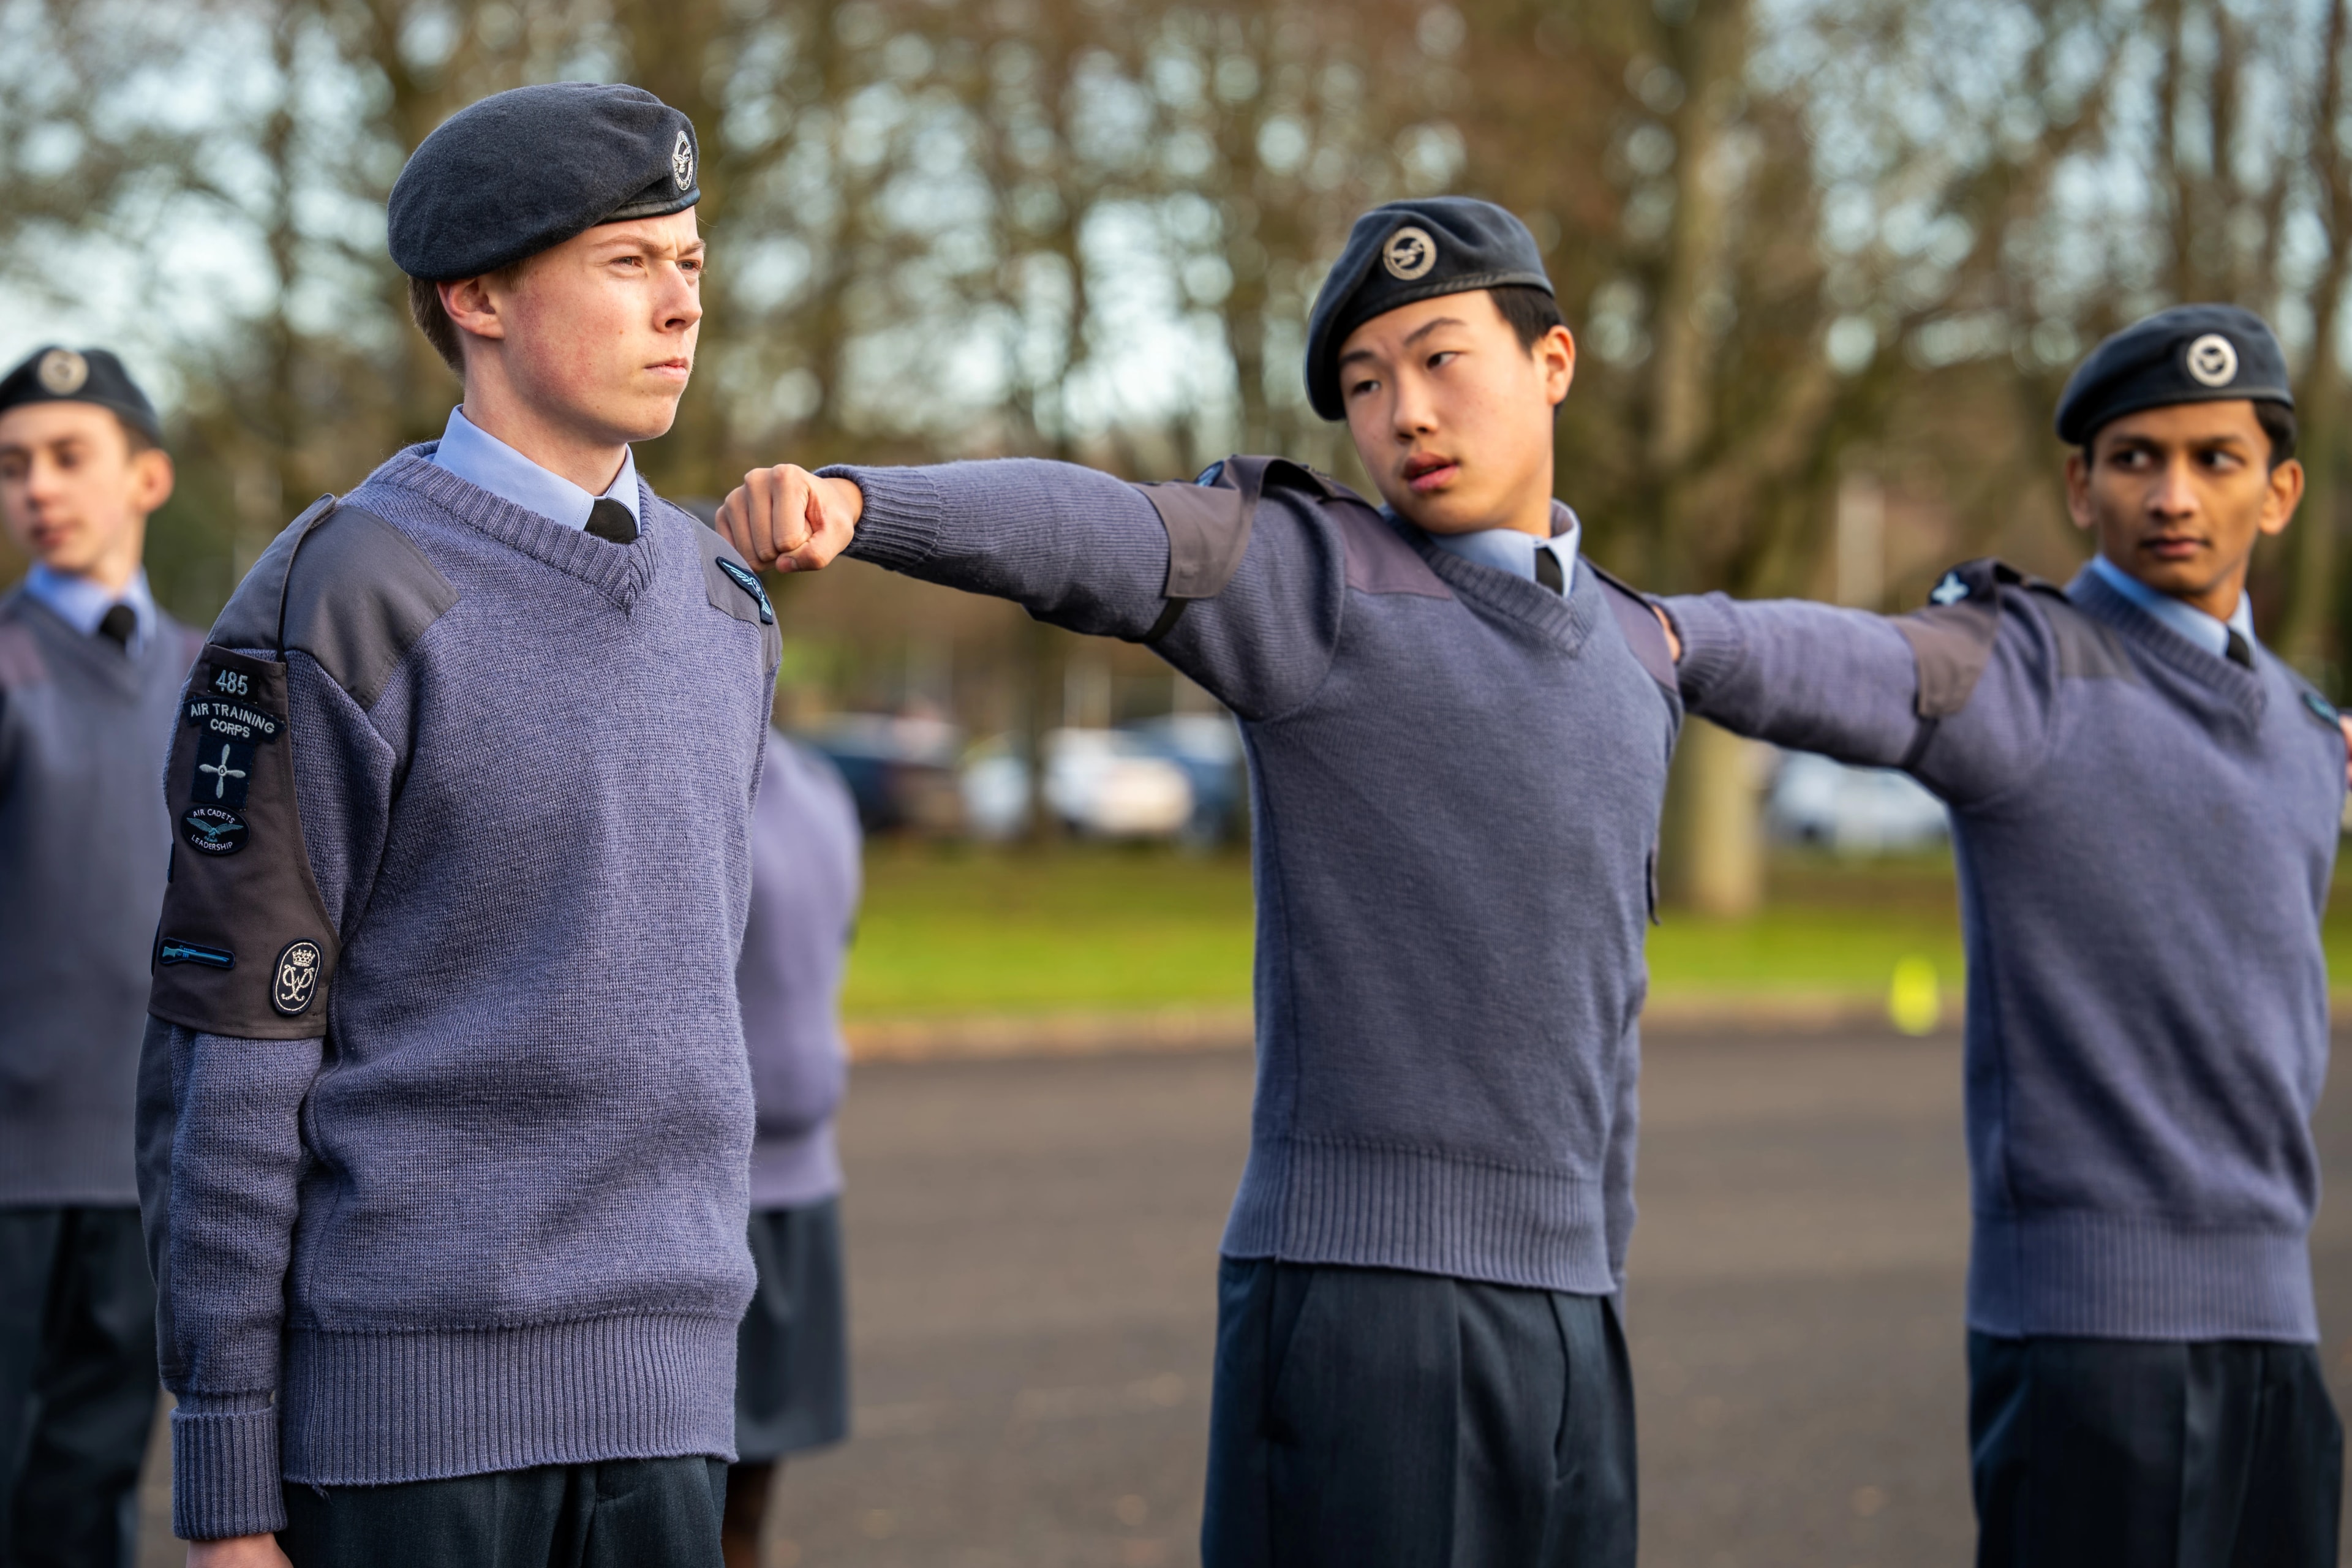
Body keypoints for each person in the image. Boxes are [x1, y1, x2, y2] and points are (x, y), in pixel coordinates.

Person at [719, 198, 1678, 1568]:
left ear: (1555, 360)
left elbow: (1607, 1011)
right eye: (1363, 382)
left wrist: (1601, 1279)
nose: (1403, 409)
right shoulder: (1317, 584)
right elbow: (1095, 532)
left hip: (1576, 1317)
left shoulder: (1640, 663)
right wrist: (865, 504)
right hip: (1365, 1307)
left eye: (1439, 356)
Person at [135, 82, 780, 1567]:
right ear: (475, 294)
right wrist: (229, 1483)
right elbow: (227, 1052)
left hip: (668, 1413)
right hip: (404, 1442)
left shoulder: (723, 603)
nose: (681, 304)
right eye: (630, 263)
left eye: (691, 261)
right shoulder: (342, 593)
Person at [1649, 304, 2346, 1567]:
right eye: (2136, 458)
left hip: (2279, 1350)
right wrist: (1671, 634)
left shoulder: (2311, 734)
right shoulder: (2023, 669)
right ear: (2080, 486)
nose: (2174, 492)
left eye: (2216, 457)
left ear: (2281, 489)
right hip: (2089, 1352)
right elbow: (1857, 661)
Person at [0, 345, 198, 1566]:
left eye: (71, 457)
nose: (39, 487)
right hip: (8, 1175)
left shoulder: (213, 675)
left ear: (151, 478)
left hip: (147, 1166)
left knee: (95, 1489)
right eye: (16, 465)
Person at [722, 728, 861, 1568]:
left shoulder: (819, 787)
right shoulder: (691, 776)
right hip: (702, 1199)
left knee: (748, 1510)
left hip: (801, 1186)